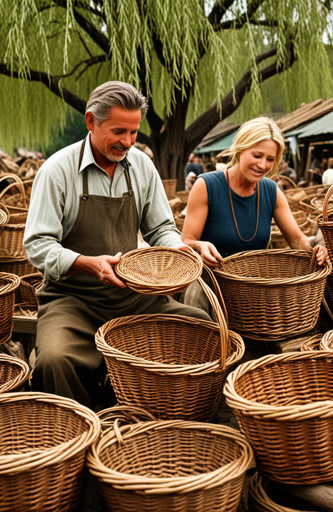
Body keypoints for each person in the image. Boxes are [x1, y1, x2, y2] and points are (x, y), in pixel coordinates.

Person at [23, 81, 210, 409]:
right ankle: (81, 438)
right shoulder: (56, 172)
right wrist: (87, 263)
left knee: (202, 329)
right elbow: (38, 245)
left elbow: (161, 229)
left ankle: (160, 417)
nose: (127, 142)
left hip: (133, 296)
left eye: (134, 133)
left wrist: (179, 248)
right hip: (71, 300)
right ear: (91, 122)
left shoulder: (142, 167)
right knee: (54, 360)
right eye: (119, 131)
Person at [180, 117, 327, 312]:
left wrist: (316, 251)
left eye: (270, 159)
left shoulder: (271, 191)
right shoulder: (206, 186)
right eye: (257, 155)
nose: (263, 165)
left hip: (252, 289)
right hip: (210, 287)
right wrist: (200, 246)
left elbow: (297, 239)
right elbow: (186, 241)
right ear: (240, 149)